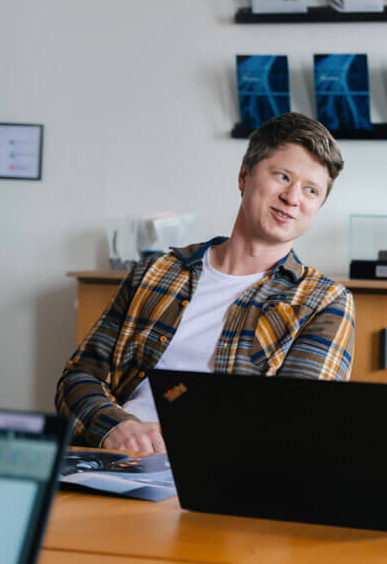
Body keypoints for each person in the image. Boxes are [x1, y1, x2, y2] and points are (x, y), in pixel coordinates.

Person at [57, 113, 355, 452]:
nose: (292, 197)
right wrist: (115, 427)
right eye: (282, 176)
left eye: (311, 190)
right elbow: (78, 379)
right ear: (244, 176)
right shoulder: (156, 271)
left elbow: (298, 424)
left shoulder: (324, 301)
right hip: (116, 458)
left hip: (219, 476)